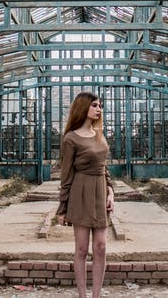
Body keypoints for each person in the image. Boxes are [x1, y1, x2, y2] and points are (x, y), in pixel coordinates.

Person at [55, 92, 115, 298]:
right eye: (95, 105)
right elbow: (66, 175)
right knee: (81, 249)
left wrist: (111, 191)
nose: (99, 109)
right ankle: (82, 295)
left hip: (100, 191)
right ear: (84, 108)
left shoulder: (99, 134)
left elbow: (104, 167)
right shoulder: (70, 138)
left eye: (100, 105)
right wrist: (62, 208)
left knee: (101, 246)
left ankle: (96, 295)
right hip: (80, 192)